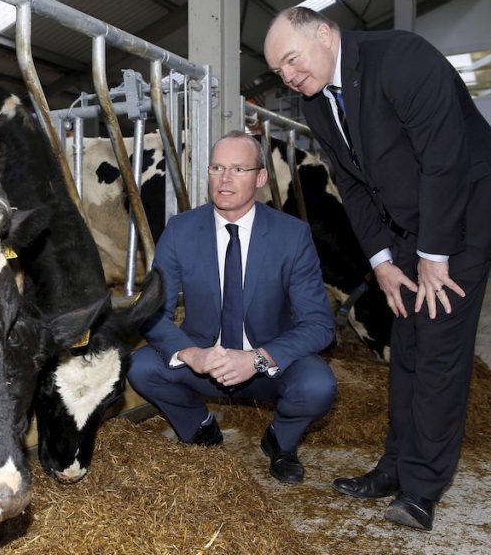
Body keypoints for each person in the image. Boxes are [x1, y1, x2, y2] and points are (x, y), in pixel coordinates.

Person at [263, 7, 491, 530]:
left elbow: (444, 159)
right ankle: (394, 468)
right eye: (279, 73)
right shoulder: (316, 101)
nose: (289, 76)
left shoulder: (402, 58)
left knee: (437, 350)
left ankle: (423, 488)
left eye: (292, 61)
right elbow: (355, 185)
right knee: (406, 345)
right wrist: (383, 262)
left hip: (466, 212)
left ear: (323, 34)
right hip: (411, 225)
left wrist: (435, 256)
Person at [127, 131, 336, 484]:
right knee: (142, 366)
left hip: (268, 365)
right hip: (204, 363)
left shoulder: (292, 235)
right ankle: (198, 427)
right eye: (217, 167)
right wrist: (191, 353)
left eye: (239, 169)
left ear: (261, 177)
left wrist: (257, 358)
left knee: (318, 386)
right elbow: (152, 310)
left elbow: (319, 324)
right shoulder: (180, 230)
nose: (224, 180)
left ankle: (281, 442)